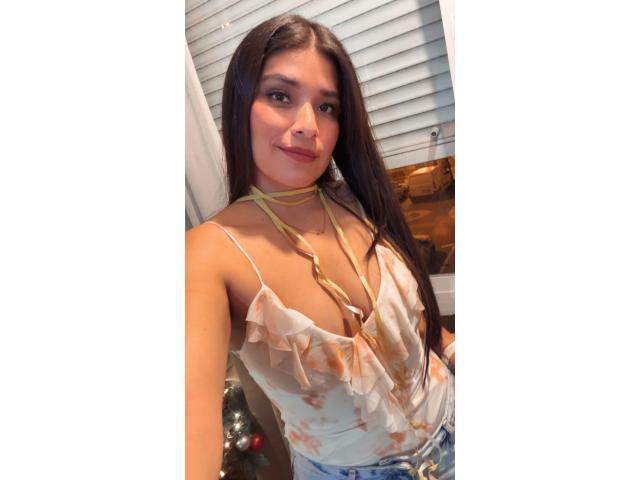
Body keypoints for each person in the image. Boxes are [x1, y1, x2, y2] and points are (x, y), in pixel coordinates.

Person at [186, 14, 455, 480]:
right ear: (240, 103)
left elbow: (420, 330)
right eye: (280, 96)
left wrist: (452, 349)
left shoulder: (359, 199)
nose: (308, 125)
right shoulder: (208, 256)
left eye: (327, 106)